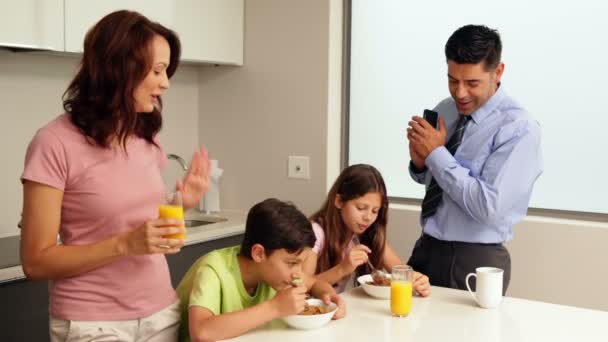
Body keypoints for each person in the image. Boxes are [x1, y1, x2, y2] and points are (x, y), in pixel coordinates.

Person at [20, 10, 210, 341]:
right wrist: (124, 244)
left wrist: (183, 205)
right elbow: (36, 263)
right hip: (92, 324)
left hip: (160, 314)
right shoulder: (53, 143)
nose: (165, 84)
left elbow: (138, 227)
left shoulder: (145, 138)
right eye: (157, 71)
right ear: (119, 68)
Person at [406, 24, 543, 294]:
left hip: (476, 260)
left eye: (472, 83)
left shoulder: (519, 128)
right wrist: (420, 163)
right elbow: (430, 179)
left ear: (498, 72)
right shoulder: (445, 109)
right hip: (426, 248)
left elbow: (489, 207)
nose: (459, 93)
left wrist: (436, 154)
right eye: (452, 80)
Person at [176, 198, 346, 342]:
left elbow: (315, 283)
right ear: (259, 253)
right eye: (291, 263)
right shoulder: (213, 269)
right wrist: (275, 308)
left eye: (300, 264)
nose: (297, 272)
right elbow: (201, 332)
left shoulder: (278, 273)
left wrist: (329, 297)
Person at [303, 164, 431, 296]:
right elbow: (303, 286)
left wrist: (417, 279)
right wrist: (342, 269)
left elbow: (399, 270)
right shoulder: (316, 232)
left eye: (375, 211)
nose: (368, 217)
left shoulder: (364, 233)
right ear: (339, 201)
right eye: (361, 208)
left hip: (335, 309)